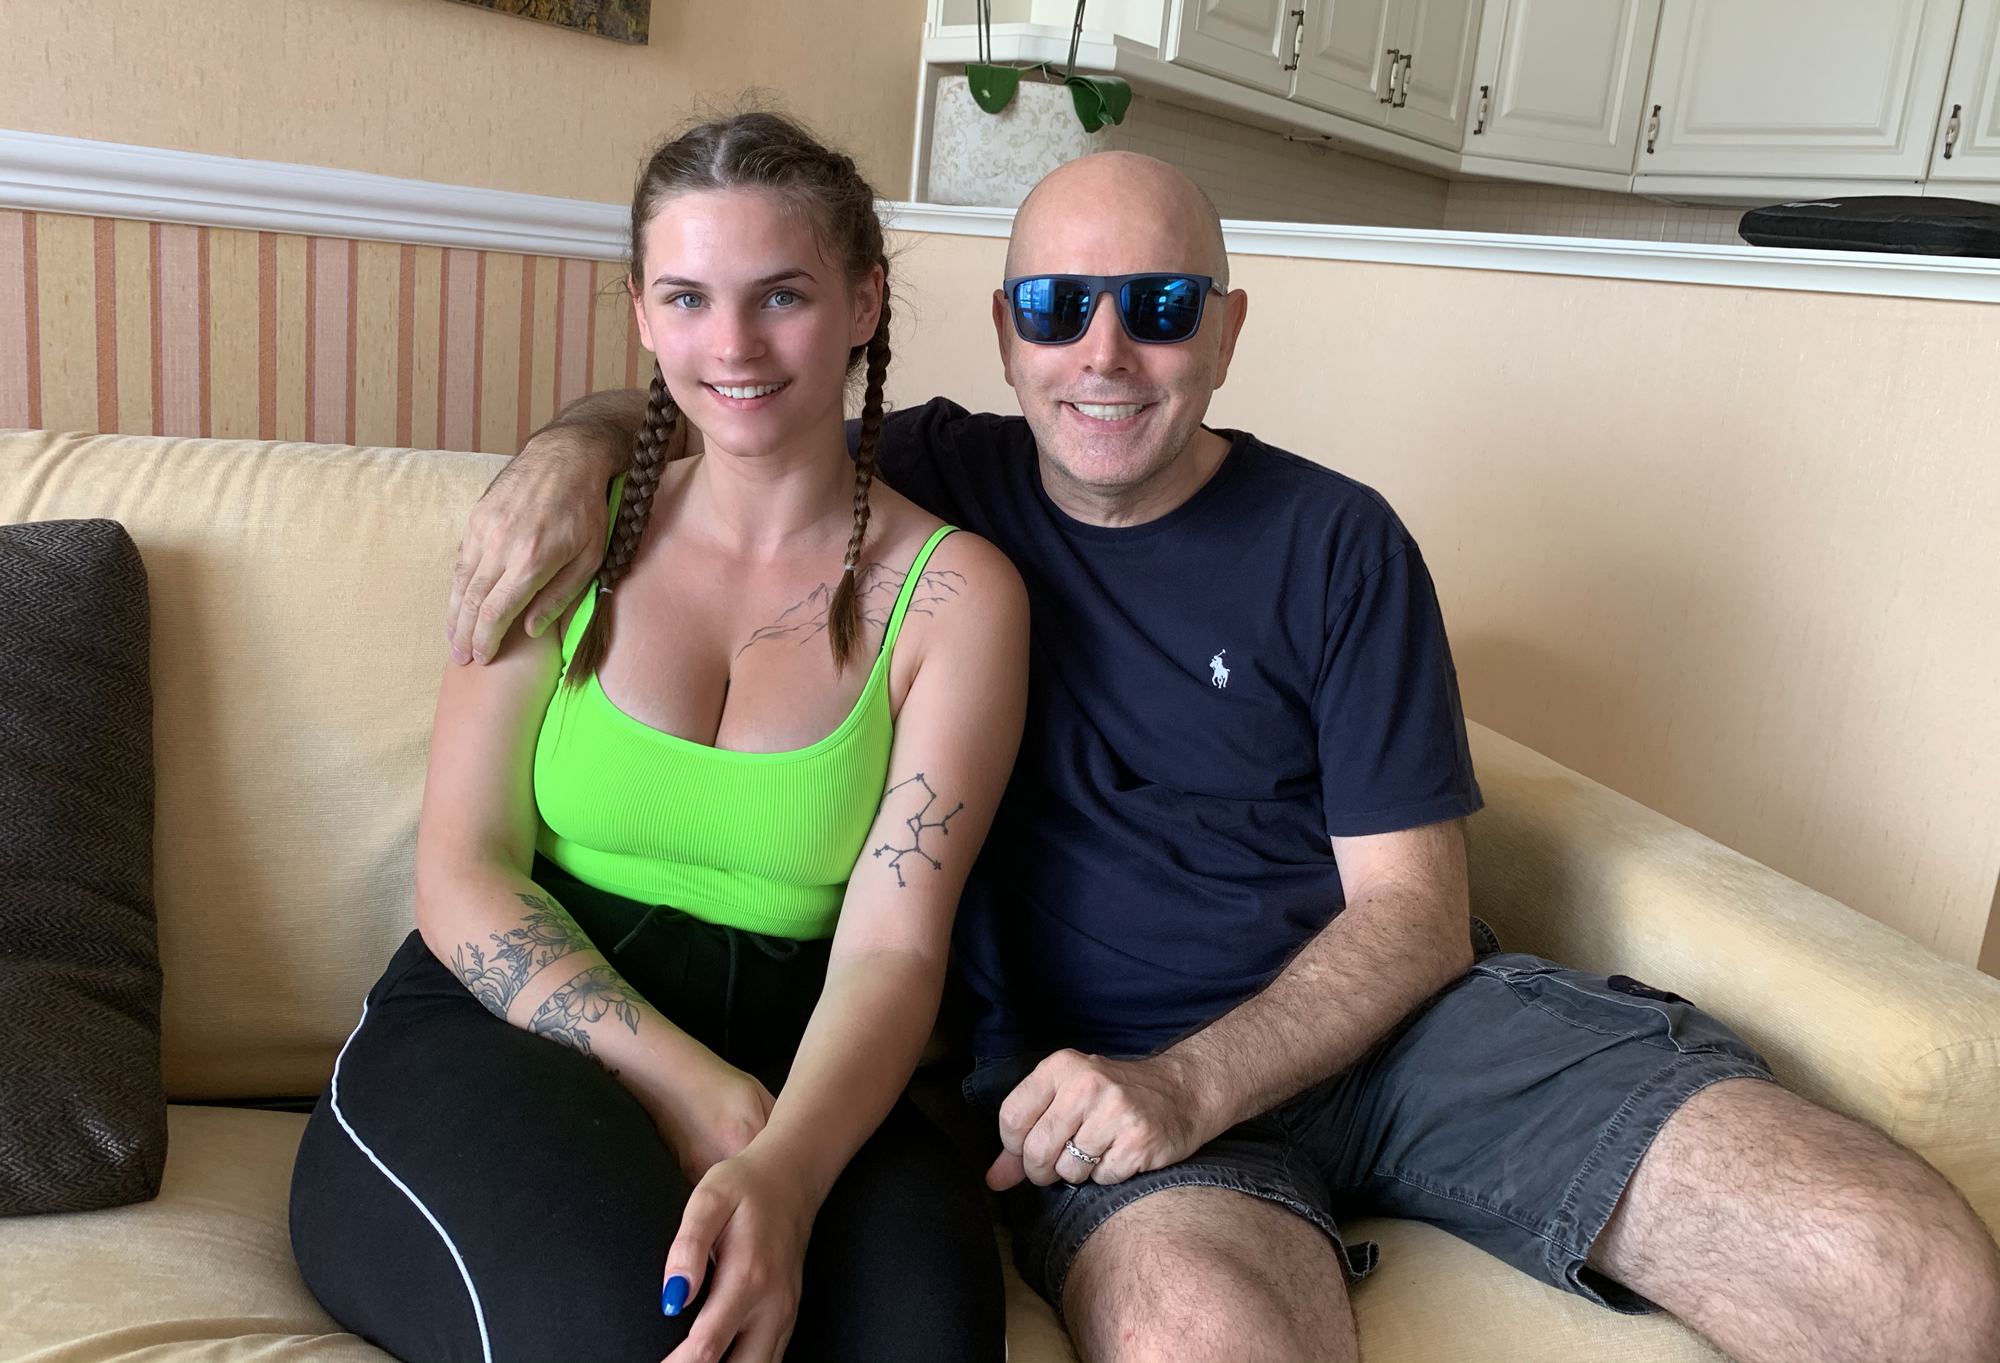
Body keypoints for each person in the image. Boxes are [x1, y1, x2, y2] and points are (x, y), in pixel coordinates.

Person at [444, 150, 2000, 1363]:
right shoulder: (922, 493)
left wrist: (1195, 1080)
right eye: (1056, 305)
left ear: (1229, 329)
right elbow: (727, 395)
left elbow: (1411, 912)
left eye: (1162, 304)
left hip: (1404, 1040)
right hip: (1092, 1090)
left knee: (1910, 1267)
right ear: (1003, 331)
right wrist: (574, 447)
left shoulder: (1339, 542)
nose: (1104, 351)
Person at [288, 112, 1028, 1363]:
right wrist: (694, 1089)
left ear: (862, 303)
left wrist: (783, 1167)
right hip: (509, 1029)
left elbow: (895, 947)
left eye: (781, 295)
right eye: (686, 298)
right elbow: (462, 872)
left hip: (802, 1060)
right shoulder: (562, 534)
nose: (731, 345)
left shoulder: (956, 598)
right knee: (636, 1332)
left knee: (926, 1335)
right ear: (640, 311)